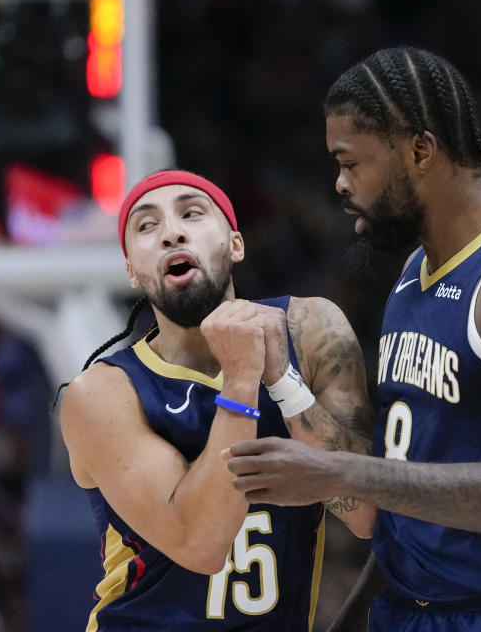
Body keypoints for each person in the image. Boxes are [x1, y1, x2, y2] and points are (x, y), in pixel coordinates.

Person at [224, 47, 481, 631]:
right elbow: (413, 499)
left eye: (350, 162)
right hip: (409, 613)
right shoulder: (413, 275)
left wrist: (338, 474)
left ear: (420, 151)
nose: (339, 182)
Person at [59, 169, 378, 631]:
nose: (172, 232)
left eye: (191, 213)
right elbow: (201, 545)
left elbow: (366, 514)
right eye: (147, 227)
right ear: (132, 272)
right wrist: (243, 379)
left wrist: (283, 381)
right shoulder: (100, 394)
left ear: (235, 244)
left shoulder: (311, 329)